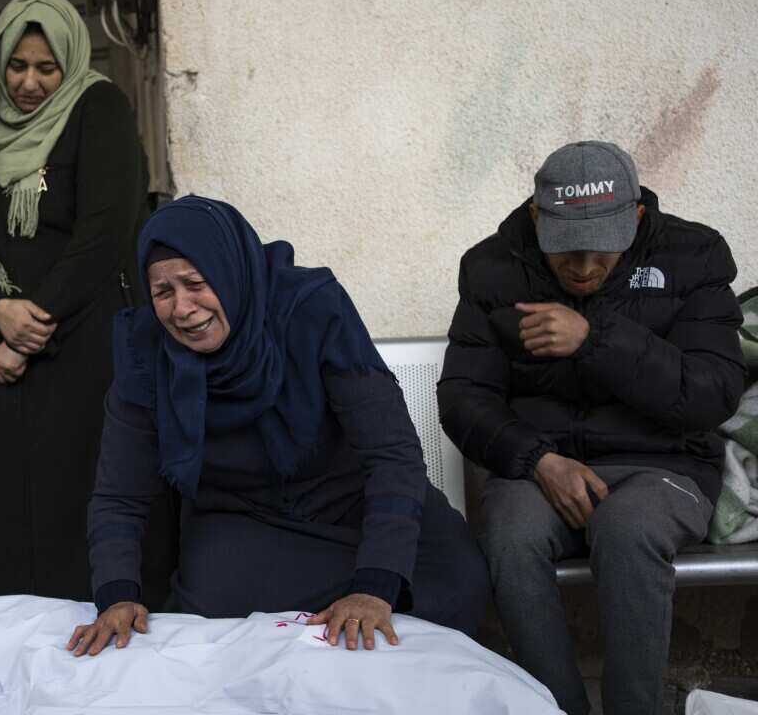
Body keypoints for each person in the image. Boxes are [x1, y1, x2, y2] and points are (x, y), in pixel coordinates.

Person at [69, 196, 490, 656]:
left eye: (195, 283)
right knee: (210, 636)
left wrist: (375, 586)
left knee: (455, 580)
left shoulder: (310, 309)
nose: (182, 309)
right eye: (162, 293)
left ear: (230, 270)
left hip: (357, 510)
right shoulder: (144, 349)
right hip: (245, 523)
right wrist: (115, 594)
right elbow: (118, 494)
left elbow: (392, 455)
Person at [438, 141, 744, 715]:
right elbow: (462, 398)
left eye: (601, 250)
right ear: (536, 217)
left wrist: (594, 340)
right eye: (564, 252)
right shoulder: (492, 268)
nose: (582, 268)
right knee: (508, 536)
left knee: (628, 530)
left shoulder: (692, 255)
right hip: (541, 469)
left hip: (665, 467)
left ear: (635, 217)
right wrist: (537, 461)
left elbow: (712, 393)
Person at [0, 0, 174, 602]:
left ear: (70, 63)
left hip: (83, 339)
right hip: (9, 344)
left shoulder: (98, 108)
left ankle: (102, 633)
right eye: (17, 66)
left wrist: (32, 326)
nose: (28, 82)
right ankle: (22, 645)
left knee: (84, 486)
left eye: (46, 68)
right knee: (18, 501)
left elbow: (105, 231)